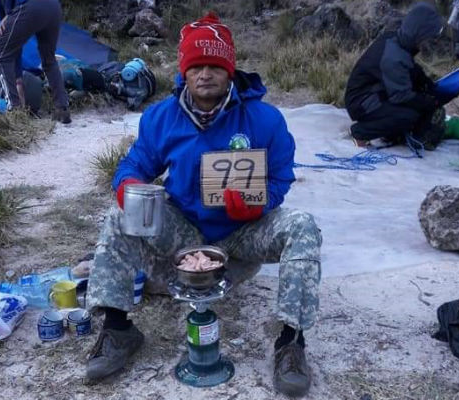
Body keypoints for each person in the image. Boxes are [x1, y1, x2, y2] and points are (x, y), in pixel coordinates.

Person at [85, 12, 322, 397]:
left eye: (215, 65)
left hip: (244, 234)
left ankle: (291, 344)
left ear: (230, 71)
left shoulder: (266, 119)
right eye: (197, 66)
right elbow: (135, 163)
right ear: (185, 72)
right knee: (120, 214)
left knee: (303, 225)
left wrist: (255, 206)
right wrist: (127, 185)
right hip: (184, 234)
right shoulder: (161, 116)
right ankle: (117, 328)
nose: (206, 74)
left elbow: (280, 178)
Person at [344, 2, 443, 147]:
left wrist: (426, 83)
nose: (430, 41)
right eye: (429, 36)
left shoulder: (397, 40)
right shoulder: (393, 57)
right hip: (361, 102)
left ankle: (389, 132)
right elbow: (401, 96)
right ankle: (360, 133)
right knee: (407, 116)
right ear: (419, 32)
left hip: (374, 93)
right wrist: (429, 102)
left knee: (414, 106)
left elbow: (410, 69)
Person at [0, 0, 71, 123]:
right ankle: (62, 109)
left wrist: (8, 13)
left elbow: (6, 52)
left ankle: (15, 110)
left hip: (30, 7)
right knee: (48, 60)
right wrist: (18, 80)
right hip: (53, 7)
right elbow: (13, 47)